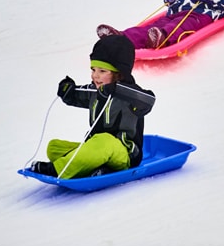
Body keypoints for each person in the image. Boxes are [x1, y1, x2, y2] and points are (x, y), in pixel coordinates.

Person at [31, 35, 155, 179]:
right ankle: (99, 167)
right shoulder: (95, 91)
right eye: (93, 70)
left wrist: (117, 90)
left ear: (119, 74)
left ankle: (58, 170)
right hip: (97, 149)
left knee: (104, 141)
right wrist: (68, 90)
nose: (95, 76)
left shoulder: (130, 95)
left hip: (124, 154)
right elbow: (77, 95)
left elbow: (149, 100)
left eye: (102, 71)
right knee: (54, 147)